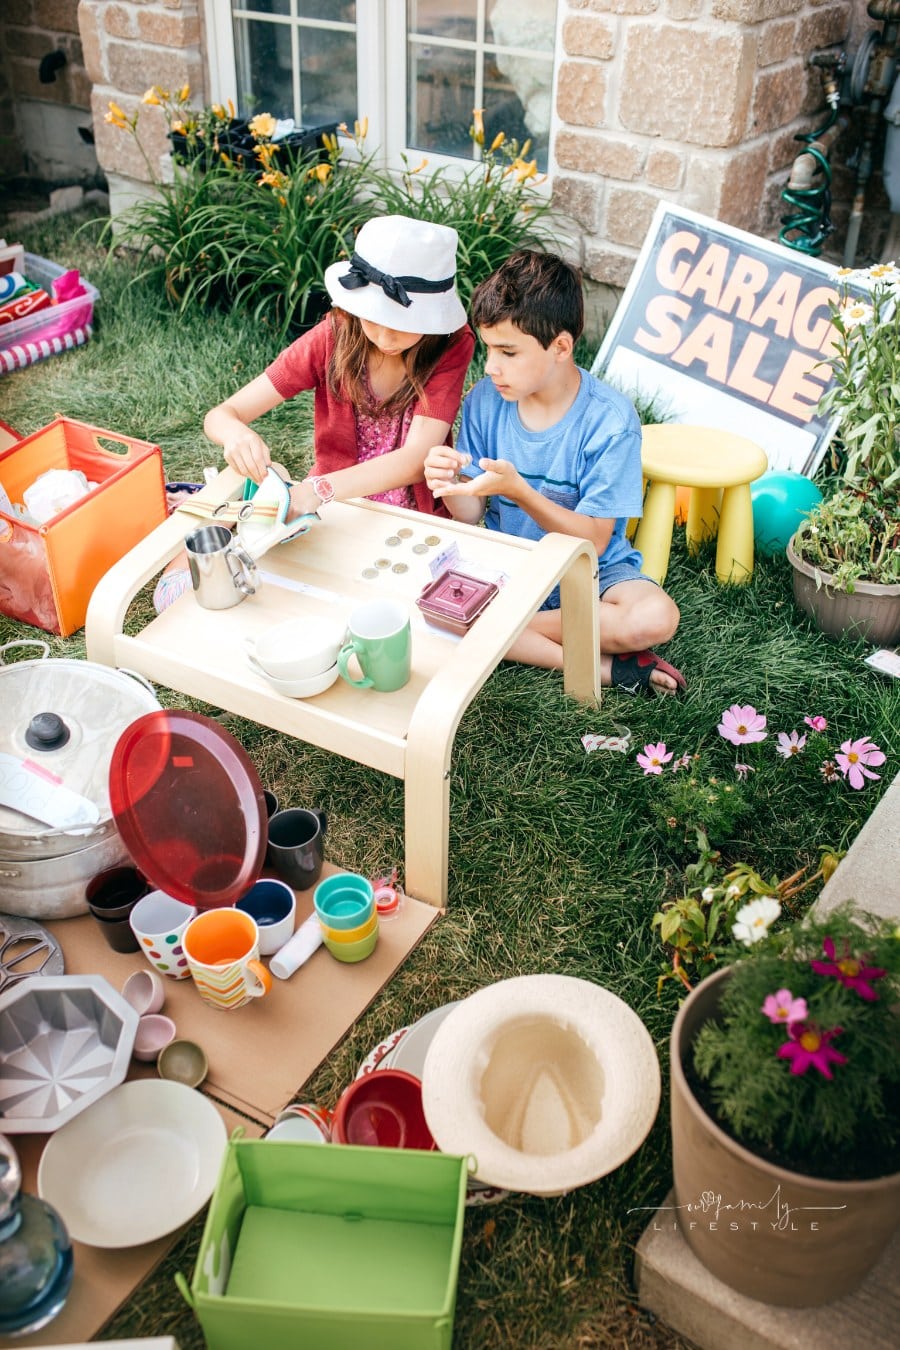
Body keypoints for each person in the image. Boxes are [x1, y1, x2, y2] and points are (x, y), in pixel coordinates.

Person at [153, 214, 474, 612]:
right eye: (376, 319)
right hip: (330, 510)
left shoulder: (452, 346)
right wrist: (236, 433)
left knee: (386, 608)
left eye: (406, 325)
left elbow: (415, 461)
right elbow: (221, 414)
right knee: (274, 599)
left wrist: (316, 490)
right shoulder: (332, 337)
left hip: (411, 518)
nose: (388, 338)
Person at [423, 249, 684, 694]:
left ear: (560, 347)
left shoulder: (611, 421)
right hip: (513, 568)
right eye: (489, 350)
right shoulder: (485, 401)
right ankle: (606, 669)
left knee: (656, 616)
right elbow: (469, 513)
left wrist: (521, 491)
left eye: (508, 352)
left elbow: (595, 540)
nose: (491, 367)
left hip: (593, 575)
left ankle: (494, 628)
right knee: (436, 608)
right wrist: (449, 483)